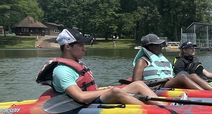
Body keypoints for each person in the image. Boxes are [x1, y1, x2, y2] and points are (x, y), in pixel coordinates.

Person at [36, 28, 164, 105]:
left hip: (94, 97)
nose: (84, 49)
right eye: (80, 45)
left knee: (138, 84)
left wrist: (105, 90)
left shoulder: (76, 63)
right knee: (115, 91)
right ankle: (153, 111)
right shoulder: (62, 70)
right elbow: (80, 97)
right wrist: (108, 91)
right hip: (83, 104)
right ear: (67, 46)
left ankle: (164, 106)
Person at [132, 34, 210, 90]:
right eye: (157, 45)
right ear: (150, 47)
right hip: (156, 86)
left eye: (161, 44)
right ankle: (205, 94)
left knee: (192, 76)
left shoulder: (160, 58)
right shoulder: (142, 61)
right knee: (182, 77)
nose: (161, 46)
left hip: (166, 83)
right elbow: (136, 82)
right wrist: (159, 80)